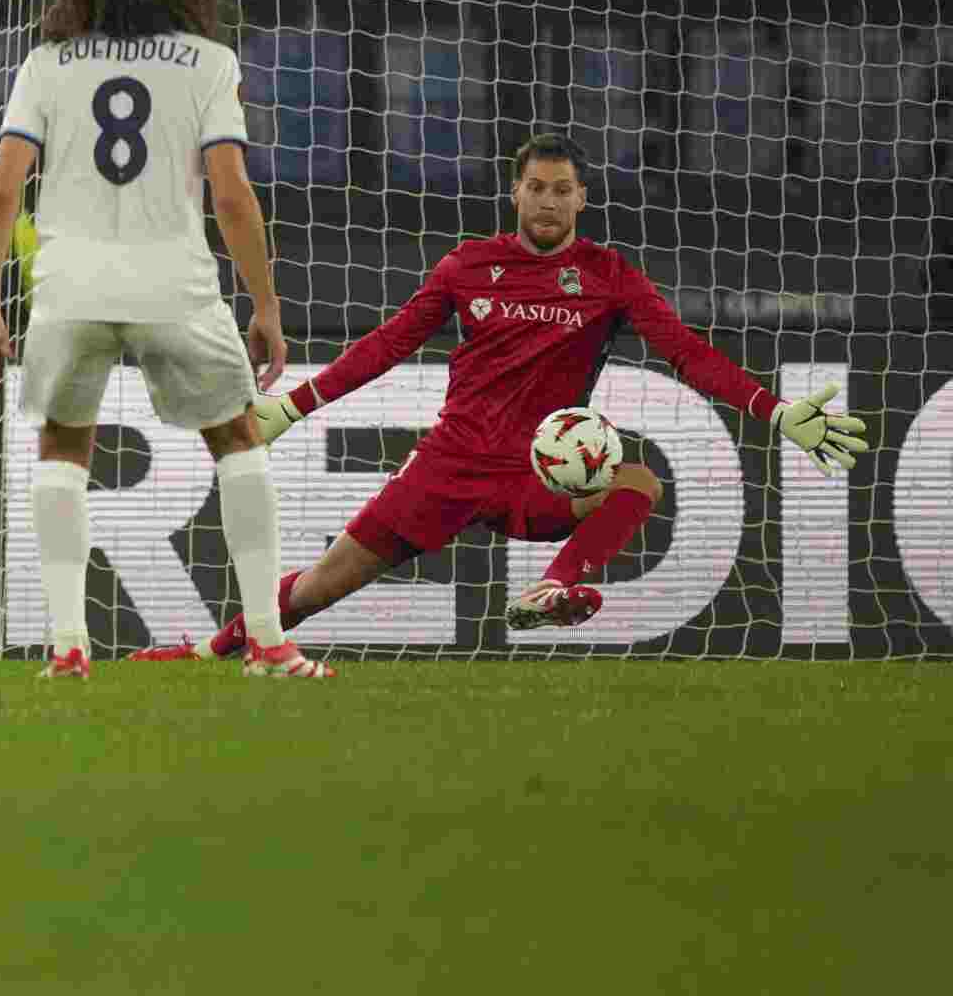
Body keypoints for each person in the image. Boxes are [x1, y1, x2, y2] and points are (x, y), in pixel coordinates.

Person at [139, 133, 871, 661]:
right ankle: (207, 651)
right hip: (449, 463)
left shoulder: (610, 275)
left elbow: (687, 353)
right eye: (537, 187)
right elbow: (389, 343)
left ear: (582, 197)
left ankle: (551, 590)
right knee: (322, 585)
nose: (549, 201)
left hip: (539, 471)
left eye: (562, 189)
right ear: (515, 192)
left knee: (638, 480)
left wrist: (776, 411)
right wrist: (293, 406)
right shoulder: (469, 266)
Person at [0, 0, 323, 681]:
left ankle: (67, 648)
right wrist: (265, 304)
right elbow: (230, 194)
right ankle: (266, 639)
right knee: (236, 441)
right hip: (174, 282)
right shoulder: (208, 63)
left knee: (62, 450)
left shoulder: (47, 64)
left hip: (71, 285)